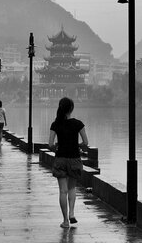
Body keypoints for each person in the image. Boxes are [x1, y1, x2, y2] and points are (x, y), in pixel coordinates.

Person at [48, 97, 89, 229]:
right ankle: (72, 213)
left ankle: (65, 221)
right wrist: (77, 146)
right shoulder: (78, 124)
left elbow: (50, 145)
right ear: (71, 109)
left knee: (62, 191)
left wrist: (57, 148)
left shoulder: (55, 124)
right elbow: (86, 143)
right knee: (72, 188)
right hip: (74, 159)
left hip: (60, 159)